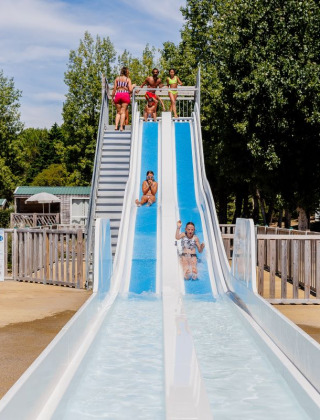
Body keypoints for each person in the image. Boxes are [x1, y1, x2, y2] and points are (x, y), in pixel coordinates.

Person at [112, 67, 133, 131]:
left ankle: (116, 126)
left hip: (118, 94)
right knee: (123, 112)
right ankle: (121, 127)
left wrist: (113, 97)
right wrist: (133, 86)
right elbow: (130, 90)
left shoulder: (117, 79)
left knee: (118, 112)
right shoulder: (128, 79)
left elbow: (114, 89)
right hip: (125, 95)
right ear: (126, 72)